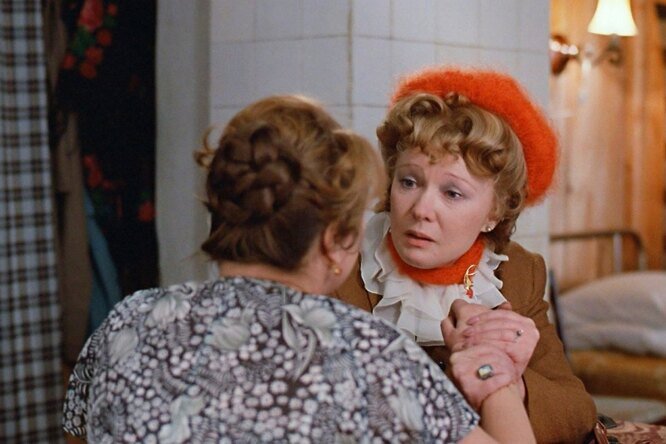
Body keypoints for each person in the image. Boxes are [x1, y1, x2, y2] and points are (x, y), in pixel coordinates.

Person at [62, 95, 536, 443]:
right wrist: (487, 363)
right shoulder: (369, 355)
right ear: (334, 242)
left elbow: (78, 434)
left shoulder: (128, 320)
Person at [334, 67, 598, 443]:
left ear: (494, 213)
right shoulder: (339, 265)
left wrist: (511, 379)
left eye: (452, 193)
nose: (421, 209)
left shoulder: (517, 274)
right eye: (409, 182)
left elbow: (577, 411)